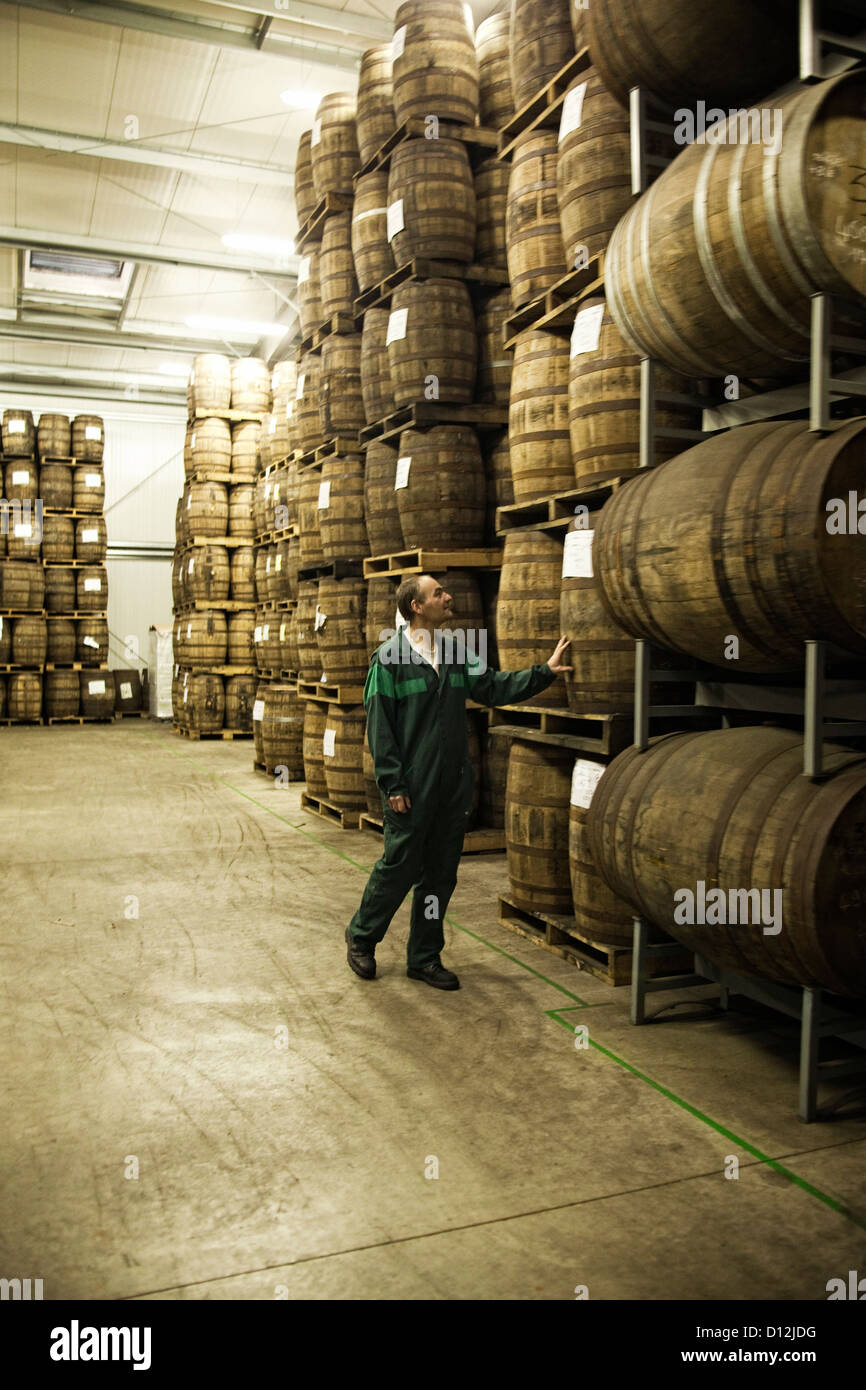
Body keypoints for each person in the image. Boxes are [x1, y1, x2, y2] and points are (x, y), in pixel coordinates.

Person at [345, 573, 572, 990]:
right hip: (411, 788)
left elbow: (492, 686)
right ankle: (361, 937)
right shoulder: (389, 659)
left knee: (439, 877)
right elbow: (380, 730)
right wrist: (393, 784)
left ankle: (425, 956)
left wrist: (544, 673)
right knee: (398, 868)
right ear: (416, 606)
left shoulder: (453, 651)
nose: (447, 598)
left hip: (451, 787)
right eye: (438, 594)